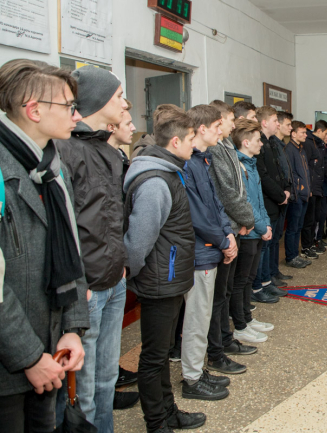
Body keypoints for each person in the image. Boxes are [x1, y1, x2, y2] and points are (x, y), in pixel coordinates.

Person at [0, 59, 88, 433]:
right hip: (1, 371)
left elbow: (71, 251)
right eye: (69, 106)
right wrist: (28, 357)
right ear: (34, 110)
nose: (77, 115)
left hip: (51, 354)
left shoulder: (53, 170)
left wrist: (72, 329)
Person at [55, 65, 129, 432]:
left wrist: (121, 262)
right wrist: (77, 283)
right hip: (87, 290)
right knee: (82, 392)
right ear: (98, 100)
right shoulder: (65, 151)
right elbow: (62, 228)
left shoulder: (108, 152)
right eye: (119, 96)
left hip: (114, 279)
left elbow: (112, 217)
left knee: (106, 379)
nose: (125, 104)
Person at [123, 104, 204, 432]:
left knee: (161, 355)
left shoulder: (170, 172)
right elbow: (137, 243)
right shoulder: (156, 181)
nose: (194, 145)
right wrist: (136, 273)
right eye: (191, 139)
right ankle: (157, 422)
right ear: (175, 142)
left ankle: (169, 412)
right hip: (159, 279)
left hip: (168, 277)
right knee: (154, 357)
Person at [179, 104, 235, 402]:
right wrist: (223, 240)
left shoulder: (203, 160)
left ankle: (197, 370)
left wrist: (227, 232)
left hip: (211, 246)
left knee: (201, 315)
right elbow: (197, 214)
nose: (221, 131)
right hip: (200, 251)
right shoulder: (188, 164)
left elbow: (215, 203)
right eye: (216, 126)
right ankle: (192, 378)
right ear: (202, 128)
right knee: (197, 317)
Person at [206, 100, 257, 376]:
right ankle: (217, 348)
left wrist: (243, 220)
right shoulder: (216, 149)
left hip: (233, 227)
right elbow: (226, 193)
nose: (232, 124)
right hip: (226, 230)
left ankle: (225, 340)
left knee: (225, 291)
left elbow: (239, 189)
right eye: (228, 120)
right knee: (219, 295)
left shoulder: (225, 146)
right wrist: (246, 219)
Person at [105, 99, 140, 410]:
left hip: (117, 255)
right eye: (127, 122)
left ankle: (111, 375)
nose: (133, 126)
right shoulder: (100, 158)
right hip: (104, 261)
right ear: (110, 126)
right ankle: (106, 385)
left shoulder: (119, 157)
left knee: (109, 333)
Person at [231, 119, 274, 344]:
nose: (261, 144)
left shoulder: (252, 164)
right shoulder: (239, 166)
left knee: (249, 278)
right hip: (248, 232)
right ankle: (240, 325)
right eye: (258, 140)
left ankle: (247, 318)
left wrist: (266, 224)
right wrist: (261, 226)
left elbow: (259, 200)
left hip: (257, 229)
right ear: (246, 142)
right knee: (241, 280)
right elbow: (246, 202)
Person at [252, 106, 290, 302]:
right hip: (268, 201)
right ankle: (260, 284)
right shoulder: (260, 144)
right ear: (265, 122)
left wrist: (285, 191)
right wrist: (280, 195)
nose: (278, 124)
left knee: (271, 243)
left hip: (276, 200)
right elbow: (263, 175)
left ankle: (267, 280)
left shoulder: (271, 143)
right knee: (264, 247)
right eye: (275, 120)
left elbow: (280, 171)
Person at [302, 120, 327, 258]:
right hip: (311, 187)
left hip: (319, 187)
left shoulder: (321, 145)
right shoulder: (309, 143)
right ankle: (306, 246)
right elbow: (307, 167)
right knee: (309, 220)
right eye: (326, 133)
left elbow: (325, 167)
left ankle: (312, 243)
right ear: (319, 131)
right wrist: (308, 186)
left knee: (316, 217)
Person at [270, 111, 296, 285]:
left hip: (284, 195)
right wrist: (282, 193)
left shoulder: (281, 145)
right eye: (288, 124)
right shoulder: (272, 145)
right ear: (278, 125)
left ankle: (274, 271)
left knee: (277, 237)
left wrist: (288, 190)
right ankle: (269, 275)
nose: (290, 128)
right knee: (271, 240)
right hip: (276, 198)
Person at [284, 121, 312, 269]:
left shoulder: (301, 149)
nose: (305, 135)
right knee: (293, 228)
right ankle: (291, 257)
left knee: (299, 226)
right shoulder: (289, 149)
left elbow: (305, 172)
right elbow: (291, 173)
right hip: (296, 195)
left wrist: (308, 188)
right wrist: (299, 188)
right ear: (293, 134)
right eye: (302, 132)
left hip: (304, 194)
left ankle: (295, 255)